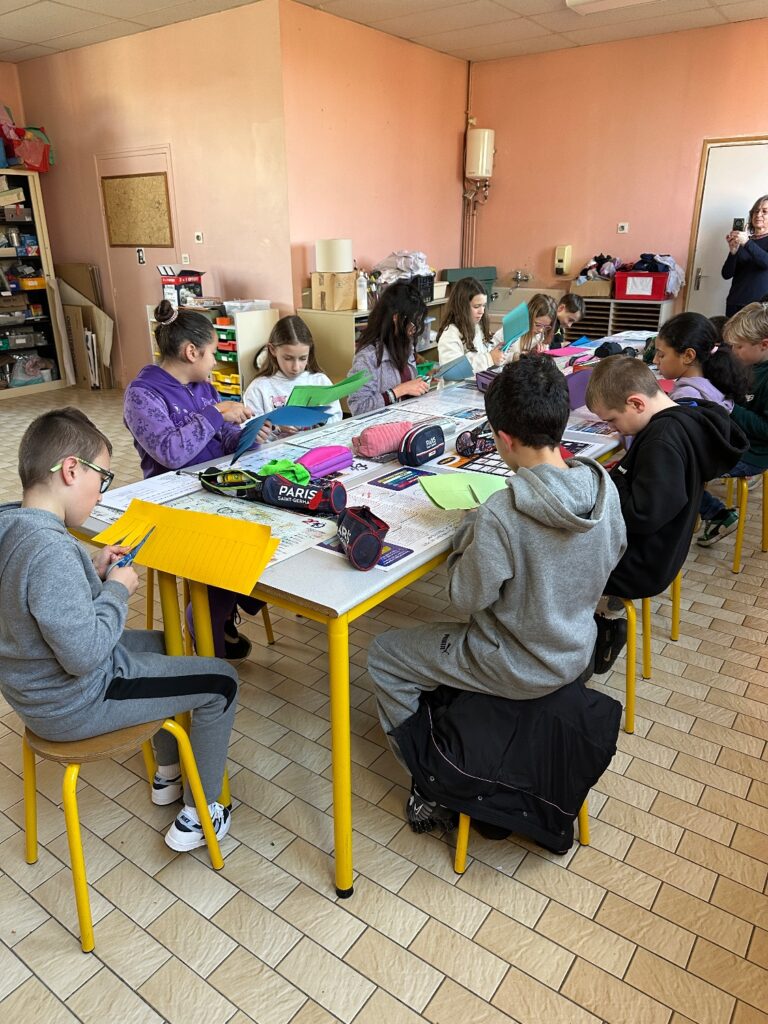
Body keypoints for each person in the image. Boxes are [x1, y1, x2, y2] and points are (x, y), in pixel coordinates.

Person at [367, 355, 627, 833]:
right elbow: (615, 553)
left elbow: (464, 598)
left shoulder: (502, 513)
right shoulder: (602, 485)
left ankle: (429, 779)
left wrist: (468, 536)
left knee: (384, 654)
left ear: (503, 438)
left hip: (513, 662)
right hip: (575, 649)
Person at [0, 408, 238, 852]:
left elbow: (36, 600)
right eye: (102, 478)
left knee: (168, 645)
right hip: (74, 700)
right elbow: (84, 655)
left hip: (36, 690)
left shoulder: (13, 525)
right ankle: (203, 812)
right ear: (72, 470)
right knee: (222, 682)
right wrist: (116, 590)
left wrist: (91, 569)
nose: (101, 492)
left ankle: (169, 773)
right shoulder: (50, 550)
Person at [124, 300, 270, 661]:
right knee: (230, 545)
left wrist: (249, 436)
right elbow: (171, 453)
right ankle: (209, 619)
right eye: (212, 353)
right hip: (173, 502)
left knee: (273, 523)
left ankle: (225, 607)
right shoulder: (142, 394)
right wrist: (216, 412)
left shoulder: (203, 386)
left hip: (215, 487)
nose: (214, 362)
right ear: (192, 352)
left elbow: (223, 438)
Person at [585, 357, 747, 600]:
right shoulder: (685, 416)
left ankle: (590, 619)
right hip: (661, 552)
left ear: (636, 403)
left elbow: (641, 516)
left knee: (551, 560)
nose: (612, 428)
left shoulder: (661, 441)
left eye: (612, 420)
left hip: (639, 567)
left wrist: (611, 477)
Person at [697, 302, 768, 545]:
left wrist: (731, 408)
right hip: (732, 439)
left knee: (682, 466)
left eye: (739, 346)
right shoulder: (751, 364)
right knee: (677, 453)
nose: (734, 352)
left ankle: (718, 515)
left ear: (764, 345)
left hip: (753, 454)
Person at [347, 281, 430, 415]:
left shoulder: (405, 344)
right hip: (384, 425)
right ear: (396, 318)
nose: (414, 329)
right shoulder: (367, 357)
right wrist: (399, 391)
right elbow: (359, 407)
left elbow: (407, 384)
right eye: (413, 322)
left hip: (408, 417)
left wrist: (421, 382)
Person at [243, 315, 342, 426]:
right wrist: (276, 427)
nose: (296, 367)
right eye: (288, 358)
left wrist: (322, 421)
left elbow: (337, 417)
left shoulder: (320, 381)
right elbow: (249, 428)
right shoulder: (258, 388)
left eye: (303, 358)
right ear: (272, 350)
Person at [653, 311, 747, 411]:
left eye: (661, 355)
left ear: (688, 356)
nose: (655, 360)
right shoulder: (712, 383)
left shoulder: (685, 397)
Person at [436, 277, 503, 372]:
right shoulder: (450, 335)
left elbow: (481, 364)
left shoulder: (477, 327)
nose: (482, 311)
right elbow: (453, 371)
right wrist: (489, 359)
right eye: (476, 306)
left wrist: (497, 357)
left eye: (484, 305)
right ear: (461, 307)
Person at [722, 195, 768, 317]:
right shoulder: (743, 240)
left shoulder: (745, 241)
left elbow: (766, 263)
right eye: (756, 211)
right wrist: (733, 252)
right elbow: (726, 274)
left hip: (759, 308)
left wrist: (747, 242)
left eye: (764, 211)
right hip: (734, 302)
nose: (758, 215)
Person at [491, 293, 558, 358]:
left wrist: (541, 353)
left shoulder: (541, 335)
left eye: (546, 327)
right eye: (538, 325)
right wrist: (514, 357)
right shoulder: (511, 329)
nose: (541, 330)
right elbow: (491, 354)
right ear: (529, 317)